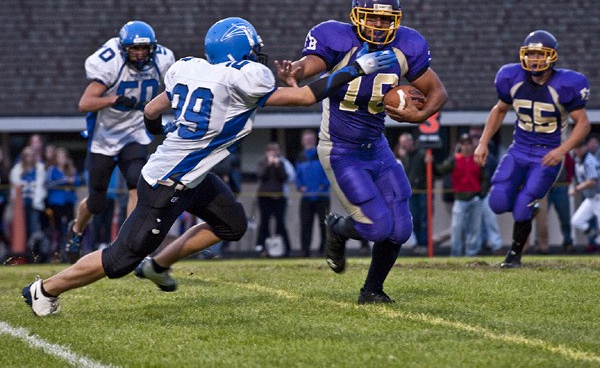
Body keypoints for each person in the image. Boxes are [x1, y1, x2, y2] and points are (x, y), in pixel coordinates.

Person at [22, 16, 396, 315]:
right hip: (169, 181)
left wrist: (161, 133)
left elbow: (152, 110)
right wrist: (355, 68)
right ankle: (44, 289)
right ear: (239, 53)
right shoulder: (242, 79)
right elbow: (304, 96)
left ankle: (160, 265)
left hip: (190, 173)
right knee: (120, 259)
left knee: (230, 223)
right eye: (252, 51)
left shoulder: (190, 68)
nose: (257, 58)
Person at [277, 0, 448, 303]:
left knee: (400, 228)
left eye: (385, 20)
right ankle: (338, 229)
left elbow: (438, 92)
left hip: (377, 145)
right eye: (371, 17)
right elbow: (310, 63)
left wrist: (417, 116)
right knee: (375, 225)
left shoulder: (407, 45)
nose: (379, 25)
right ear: (356, 16)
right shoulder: (335, 38)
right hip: (340, 149)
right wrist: (297, 71)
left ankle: (372, 290)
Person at [474, 30, 590, 268]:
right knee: (496, 202)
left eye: (540, 54)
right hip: (519, 148)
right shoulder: (511, 77)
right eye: (531, 54)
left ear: (552, 57)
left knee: (522, 206)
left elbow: (584, 124)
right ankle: (527, 207)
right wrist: (483, 142)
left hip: (547, 153)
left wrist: (562, 150)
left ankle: (514, 257)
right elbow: (499, 110)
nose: (535, 60)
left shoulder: (566, 84)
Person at [64, 21, 175, 263]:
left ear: (152, 49)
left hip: (134, 132)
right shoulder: (110, 62)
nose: (139, 54)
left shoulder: (163, 60)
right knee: (96, 202)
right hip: (104, 138)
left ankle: (128, 244)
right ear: (123, 48)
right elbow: (85, 102)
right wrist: (114, 100)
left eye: (144, 49)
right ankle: (76, 232)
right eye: (133, 49)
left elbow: (175, 89)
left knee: (137, 184)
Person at [435, 133, 486, 256]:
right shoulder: (455, 159)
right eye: (464, 144)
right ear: (460, 146)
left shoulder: (477, 158)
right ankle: (456, 253)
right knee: (457, 228)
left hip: (475, 198)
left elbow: (485, 178)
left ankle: (472, 254)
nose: (466, 147)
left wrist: (482, 193)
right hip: (460, 198)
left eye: (468, 144)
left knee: (474, 229)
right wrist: (431, 161)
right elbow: (440, 170)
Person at [468, 126, 503, 255]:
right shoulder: (466, 156)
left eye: (477, 137)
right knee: (474, 224)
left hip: (486, 193)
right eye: (472, 138)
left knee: (490, 221)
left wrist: (493, 188)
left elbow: (497, 173)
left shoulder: (490, 157)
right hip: (472, 194)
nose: (474, 141)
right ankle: (475, 248)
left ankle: (496, 245)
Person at [295, 129, 330, 257]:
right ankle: (305, 250)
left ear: (315, 140)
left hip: (322, 196)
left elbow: (329, 172)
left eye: (311, 139)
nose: (309, 141)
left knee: (324, 225)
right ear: (303, 141)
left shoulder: (321, 154)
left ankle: (324, 249)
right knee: (305, 225)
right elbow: (297, 175)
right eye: (306, 139)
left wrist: (324, 185)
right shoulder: (300, 157)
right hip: (306, 197)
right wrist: (300, 187)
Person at [9, 146, 47, 262]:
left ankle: (35, 254)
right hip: (21, 205)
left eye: (31, 155)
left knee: (34, 230)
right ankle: (23, 254)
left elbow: (41, 187)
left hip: (35, 204)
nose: (30, 157)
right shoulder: (18, 169)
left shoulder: (39, 168)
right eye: (27, 155)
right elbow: (14, 186)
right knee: (22, 230)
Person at [255, 142, 293, 257]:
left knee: (280, 223)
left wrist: (277, 166)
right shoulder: (262, 162)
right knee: (264, 222)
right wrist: (268, 165)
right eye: (271, 151)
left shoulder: (281, 163)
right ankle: (261, 247)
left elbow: (285, 178)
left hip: (279, 197)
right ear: (267, 152)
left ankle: (284, 248)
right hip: (264, 197)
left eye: (275, 151)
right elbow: (261, 176)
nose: (273, 153)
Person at [396, 132, 428, 256]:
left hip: (422, 191)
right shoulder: (404, 158)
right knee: (414, 219)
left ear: (411, 141)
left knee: (423, 219)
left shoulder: (421, 154)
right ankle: (418, 244)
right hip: (410, 192)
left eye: (405, 143)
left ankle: (424, 244)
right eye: (401, 144)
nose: (403, 146)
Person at [569, 141, 600, 247]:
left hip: (598, 196)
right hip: (591, 198)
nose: (577, 150)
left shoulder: (589, 160)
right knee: (577, 221)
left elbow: (593, 180)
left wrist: (576, 188)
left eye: (579, 148)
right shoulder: (578, 160)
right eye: (575, 148)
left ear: (585, 147)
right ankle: (596, 237)